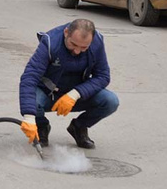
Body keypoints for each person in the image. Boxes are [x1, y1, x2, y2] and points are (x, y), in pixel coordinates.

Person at [19, 19, 119, 149]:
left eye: (84, 47)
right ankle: (41, 126)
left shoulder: (96, 43)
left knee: (110, 101)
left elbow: (103, 76)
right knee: (34, 102)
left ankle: (79, 127)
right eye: (73, 44)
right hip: (48, 94)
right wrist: (29, 117)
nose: (77, 51)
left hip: (76, 96)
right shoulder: (50, 43)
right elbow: (30, 77)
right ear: (66, 33)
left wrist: (76, 94)